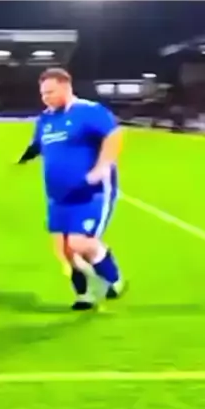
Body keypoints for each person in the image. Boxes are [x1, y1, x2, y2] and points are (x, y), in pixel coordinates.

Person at [18, 67, 124, 310]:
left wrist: (101, 167)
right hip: (59, 196)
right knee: (66, 250)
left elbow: (114, 136)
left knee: (79, 243)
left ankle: (113, 279)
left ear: (66, 87)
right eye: (43, 93)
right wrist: (22, 159)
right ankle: (84, 295)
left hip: (90, 192)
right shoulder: (45, 119)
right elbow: (37, 145)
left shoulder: (89, 111)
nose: (45, 98)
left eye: (50, 92)